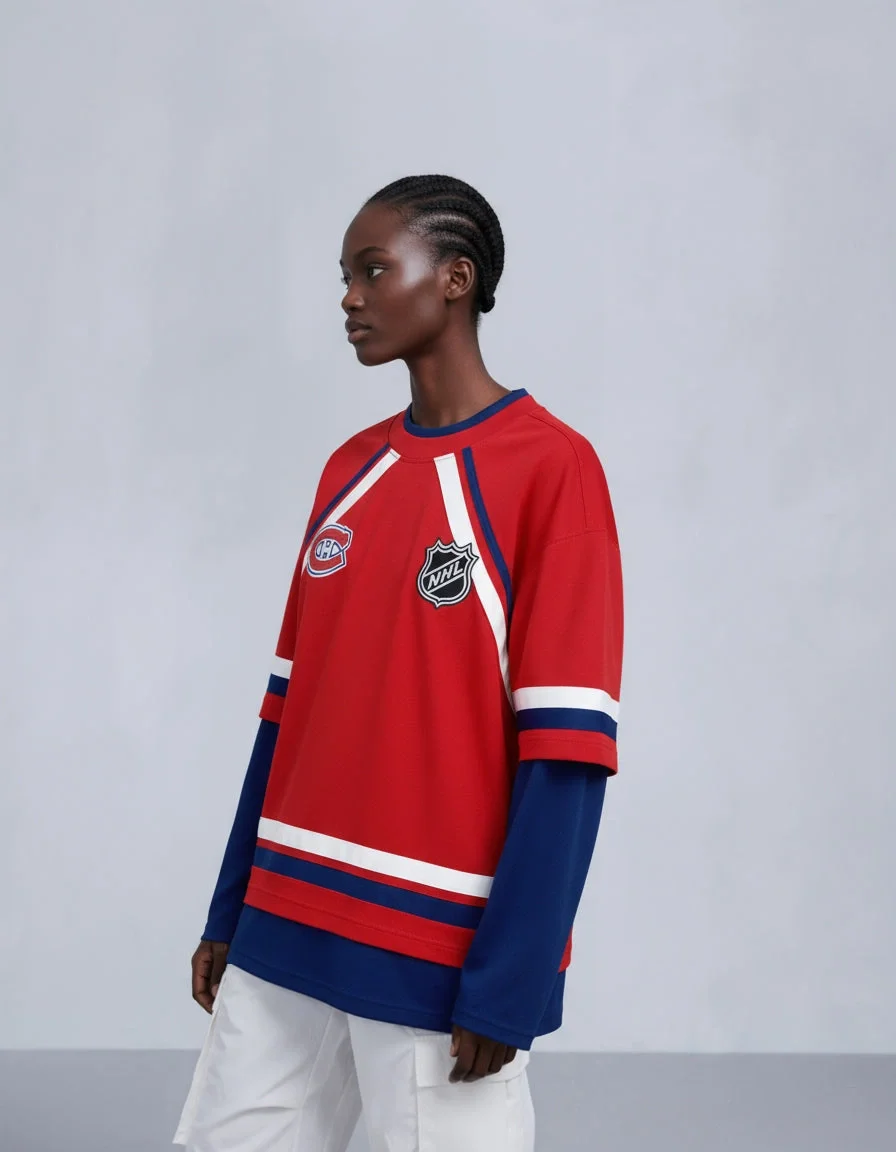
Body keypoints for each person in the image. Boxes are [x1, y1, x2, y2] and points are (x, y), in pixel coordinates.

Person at [172, 174, 624, 1152]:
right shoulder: (349, 471)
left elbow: (566, 754)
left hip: (431, 950)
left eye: (374, 270)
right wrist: (231, 905)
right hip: (283, 926)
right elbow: (285, 717)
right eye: (345, 274)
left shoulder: (552, 470)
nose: (349, 296)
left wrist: (511, 983)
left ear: (455, 279)